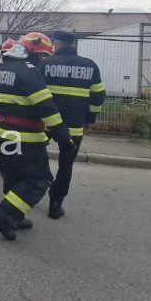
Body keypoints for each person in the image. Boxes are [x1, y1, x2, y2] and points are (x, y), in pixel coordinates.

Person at [0, 32, 75, 241]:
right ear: (32, 51)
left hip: (2, 133)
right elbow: (46, 107)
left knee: (12, 177)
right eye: (42, 55)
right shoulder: (30, 73)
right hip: (25, 138)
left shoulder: (1, 70)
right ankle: (4, 217)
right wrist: (63, 137)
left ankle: (15, 216)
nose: (43, 60)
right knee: (38, 180)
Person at [39, 31, 106, 220]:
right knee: (66, 165)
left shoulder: (45, 64)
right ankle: (55, 204)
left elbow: (35, 91)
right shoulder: (90, 66)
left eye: (53, 44)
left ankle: (43, 178)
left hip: (46, 125)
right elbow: (98, 96)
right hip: (74, 127)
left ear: (58, 45)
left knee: (36, 153)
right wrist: (89, 120)